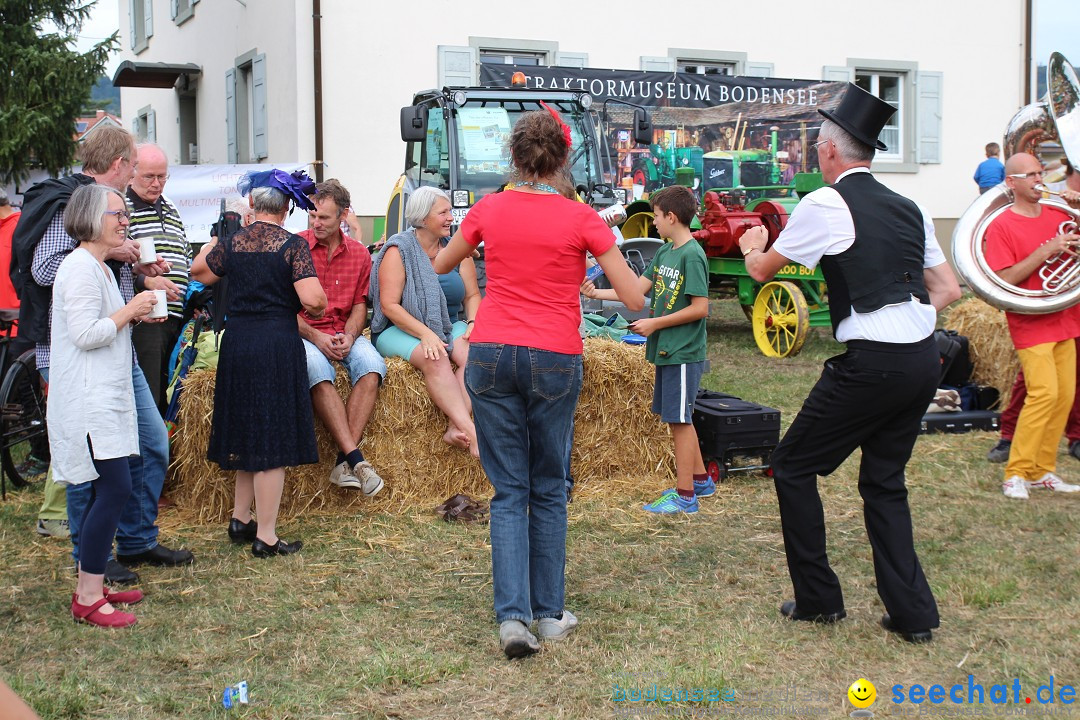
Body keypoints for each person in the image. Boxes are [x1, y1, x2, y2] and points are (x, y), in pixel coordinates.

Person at [740, 83, 962, 644]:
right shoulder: (909, 207)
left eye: (818, 144)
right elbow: (948, 289)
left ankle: (818, 601)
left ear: (831, 151)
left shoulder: (824, 201)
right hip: (921, 358)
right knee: (884, 482)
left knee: (791, 465)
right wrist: (901, 311)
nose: (817, 151)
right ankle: (913, 616)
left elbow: (765, 271)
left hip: (875, 362)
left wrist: (749, 246)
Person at [434, 106, 645, 659]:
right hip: (554, 353)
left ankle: (512, 620)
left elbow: (440, 265)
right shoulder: (581, 218)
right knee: (549, 485)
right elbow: (632, 298)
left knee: (509, 491)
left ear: (515, 157)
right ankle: (549, 614)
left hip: (493, 351)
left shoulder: (488, 208)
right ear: (562, 159)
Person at [16, 126, 191, 584]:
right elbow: (47, 268)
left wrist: (134, 273)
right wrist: (113, 252)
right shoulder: (78, 204)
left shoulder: (109, 211)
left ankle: (135, 540)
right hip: (74, 354)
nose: (140, 176)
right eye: (135, 166)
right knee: (88, 462)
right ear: (119, 165)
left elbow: (99, 273)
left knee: (148, 442)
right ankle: (89, 558)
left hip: (113, 345)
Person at [191, 168, 327, 557]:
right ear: (287, 209)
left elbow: (200, 272)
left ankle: (240, 518)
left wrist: (217, 239)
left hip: (238, 343)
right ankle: (265, 535)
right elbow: (315, 300)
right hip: (275, 343)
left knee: (248, 427)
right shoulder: (292, 246)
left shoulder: (233, 243)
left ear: (252, 204)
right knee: (273, 437)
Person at [50, 183, 162, 627]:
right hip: (89, 400)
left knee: (109, 488)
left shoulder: (96, 267)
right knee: (113, 488)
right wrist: (130, 309)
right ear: (92, 218)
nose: (124, 221)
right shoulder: (78, 268)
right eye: (116, 214)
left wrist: (132, 313)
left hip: (103, 397)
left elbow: (103, 328)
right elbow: (85, 334)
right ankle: (88, 596)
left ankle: (91, 583)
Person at [582, 186, 712, 514]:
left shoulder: (692, 255)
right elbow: (636, 292)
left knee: (680, 420)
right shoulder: (665, 254)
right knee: (680, 418)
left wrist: (655, 324)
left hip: (684, 350)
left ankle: (685, 497)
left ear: (671, 217)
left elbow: (700, 309)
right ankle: (700, 481)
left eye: (656, 216)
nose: (653, 222)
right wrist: (596, 294)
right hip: (668, 349)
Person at [983, 152, 1080, 499]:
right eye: (1031, 175)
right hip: (1030, 320)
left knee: (1064, 396)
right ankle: (1016, 472)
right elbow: (1006, 277)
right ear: (1011, 182)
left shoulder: (1058, 212)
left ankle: (1042, 470)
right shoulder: (1001, 225)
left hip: (1065, 316)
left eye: (1041, 173)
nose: (1040, 180)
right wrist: (1048, 249)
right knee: (1044, 394)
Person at [369, 186, 481, 454]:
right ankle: (473, 432)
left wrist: (474, 323)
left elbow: (472, 296)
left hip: (448, 323)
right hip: (398, 328)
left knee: (475, 354)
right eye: (443, 212)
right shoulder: (399, 250)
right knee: (435, 357)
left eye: (450, 212)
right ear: (422, 217)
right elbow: (389, 306)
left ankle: (456, 428)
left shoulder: (456, 251)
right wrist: (425, 334)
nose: (451, 218)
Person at [297, 179, 386, 494]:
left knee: (373, 365)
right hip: (305, 332)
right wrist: (316, 338)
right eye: (312, 216)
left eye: (324, 218)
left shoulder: (360, 254)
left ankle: (341, 462)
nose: (316, 223)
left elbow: (360, 306)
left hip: (342, 330)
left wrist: (350, 335)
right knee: (318, 371)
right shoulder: (295, 247)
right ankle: (357, 459)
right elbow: (284, 310)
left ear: (344, 216)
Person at [127, 144, 193, 415]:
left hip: (178, 315)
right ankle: (149, 456)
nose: (157, 184)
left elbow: (186, 255)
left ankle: (165, 453)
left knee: (172, 392)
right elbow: (114, 265)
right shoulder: (124, 207)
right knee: (150, 393)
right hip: (146, 318)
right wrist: (147, 282)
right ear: (132, 173)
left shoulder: (171, 207)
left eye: (162, 177)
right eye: (149, 177)